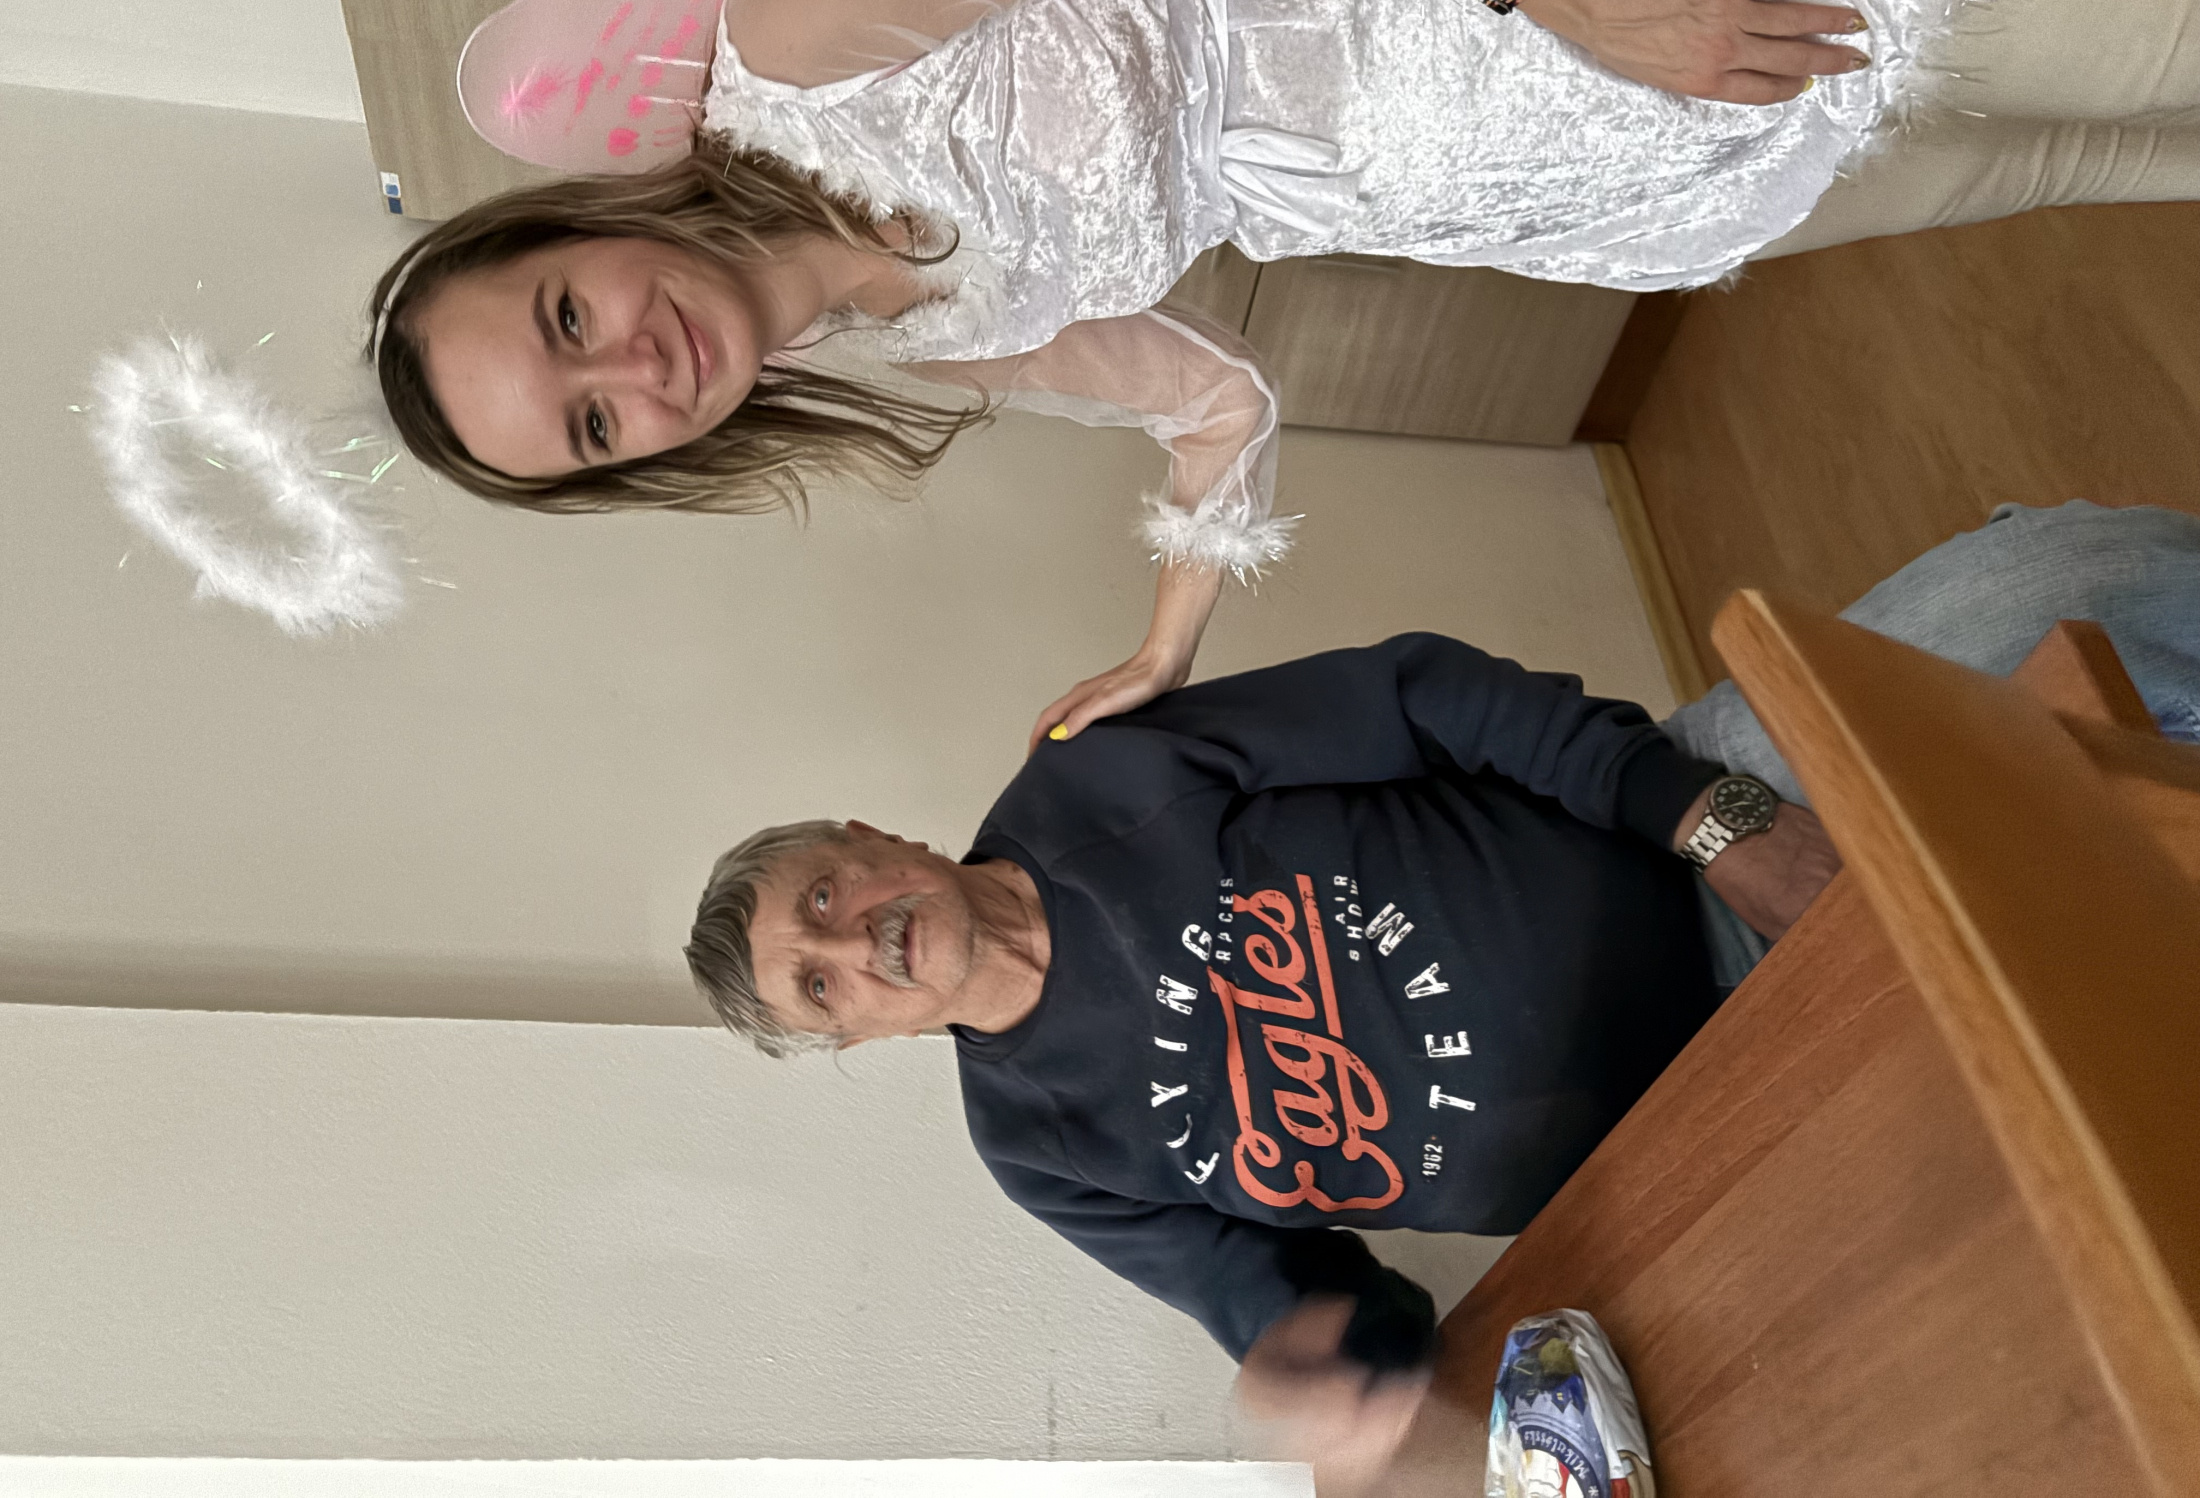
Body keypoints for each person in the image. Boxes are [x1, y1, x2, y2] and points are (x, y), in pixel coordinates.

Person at [371, 0, 2200, 743]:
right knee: (2090, 166)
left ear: (570, 230)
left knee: (2159, 39)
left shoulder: (795, 44)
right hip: (1569, 187)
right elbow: (1210, 398)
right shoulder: (931, 340)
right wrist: (1167, 640)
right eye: (594, 425)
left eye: (564, 321)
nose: (635, 364)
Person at [678, 500, 2200, 1488]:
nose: (854, 944)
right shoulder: (1036, 1146)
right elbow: (1284, 1296)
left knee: (2078, 585)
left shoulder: (1094, 780)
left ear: (871, 838)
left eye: (824, 896)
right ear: (857, 1038)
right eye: (820, 988)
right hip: (1718, 1144)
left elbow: (1421, 693)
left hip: (1700, 839)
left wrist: (1711, 819)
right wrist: (1327, 1368)